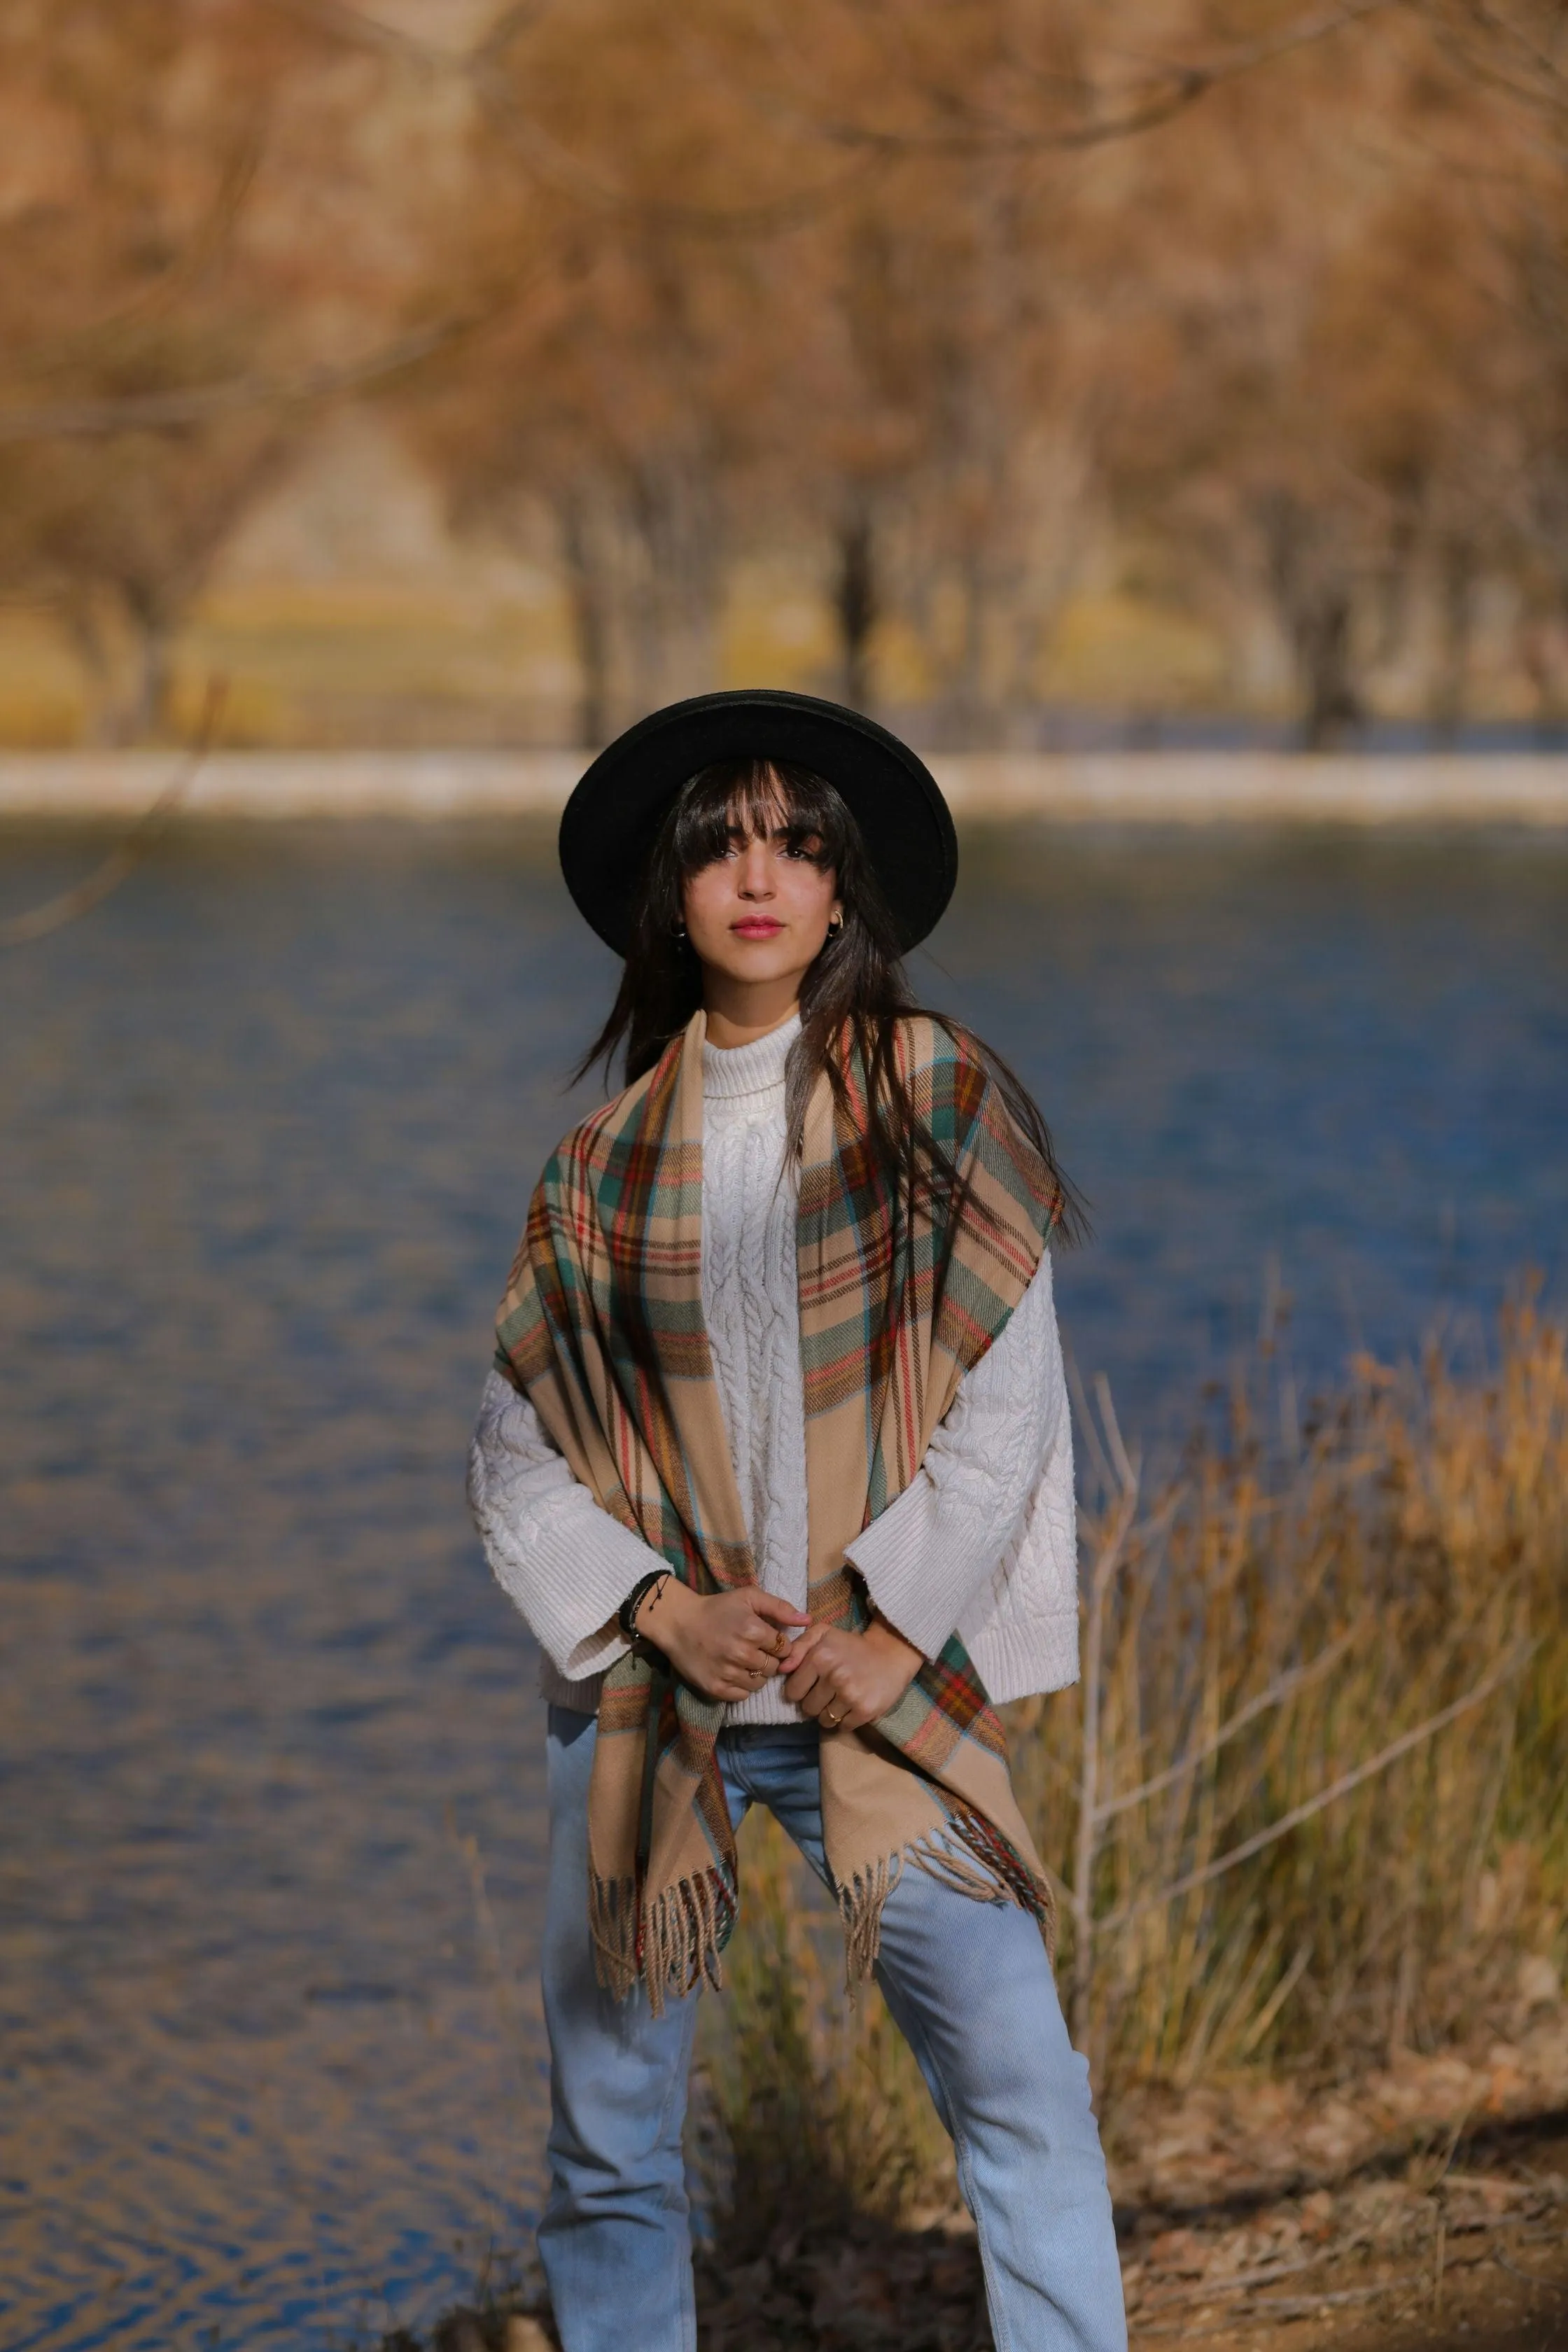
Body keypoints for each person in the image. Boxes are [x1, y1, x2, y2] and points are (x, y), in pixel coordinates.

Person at [468, 690, 1126, 2352]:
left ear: (843, 889)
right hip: (655, 1701)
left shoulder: (933, 1096)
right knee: (610, 2152)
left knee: (1023, 2097)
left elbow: (1007, 1404)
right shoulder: (596, 1171)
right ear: (668, 893)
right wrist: (656, 1613)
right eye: (720, 846)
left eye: (797, 844)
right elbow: (514, 1445)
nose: (757, 879)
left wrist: (885, 1628)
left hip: (875, 1688)